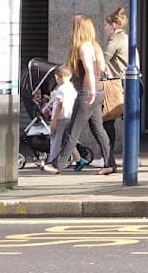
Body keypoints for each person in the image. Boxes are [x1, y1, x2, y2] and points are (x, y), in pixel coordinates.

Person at [44, 14, 114, 175]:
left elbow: (89, 70)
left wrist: (88, 91)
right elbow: (101, 68)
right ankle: (110, 164)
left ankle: (57, 164)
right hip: (98, 92)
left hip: (87, 93)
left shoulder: (83, 47)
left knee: (72, 130)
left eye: (73, 27)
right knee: (98, 130)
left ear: (78, 29)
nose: (71, 30)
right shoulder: (95, 46)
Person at [99, 7, 129, 170]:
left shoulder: (115, 40)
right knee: (122, 121)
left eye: (106, 25)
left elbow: (102, 62)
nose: (105, 28)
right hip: (125, 83)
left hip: (116, 84)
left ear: (114, 25)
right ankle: (125, 157)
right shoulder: (125, 38)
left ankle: (108, 156)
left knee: (107, 120)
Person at [45, 64, 78, 168]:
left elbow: (59, 105)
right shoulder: (72, 88)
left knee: (55, 140)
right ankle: (79, 159)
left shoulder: (60, 89)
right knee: (67, 139)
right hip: (70, 116)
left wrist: (54, 120)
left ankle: (52, 161)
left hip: (60, 117)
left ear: (57, 77)